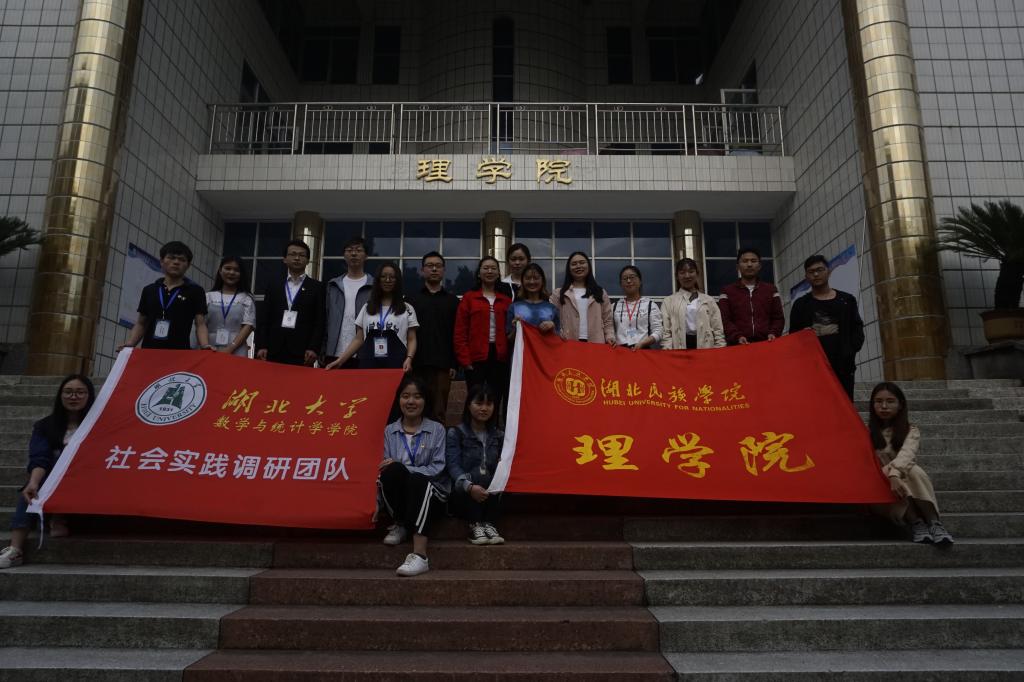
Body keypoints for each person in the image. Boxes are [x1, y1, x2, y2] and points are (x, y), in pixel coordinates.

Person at [0, 375, 96, 569]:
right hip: (54, 478)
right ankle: (15, 548)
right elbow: (40, 457)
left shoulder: (99, 423)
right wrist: (33, 482)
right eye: (68, 392)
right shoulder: (45, 426)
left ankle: (58, 516)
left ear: (89, 396)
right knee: (33, 486)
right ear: (60, 395)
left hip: (88, 480)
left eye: (80, 392)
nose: (74, 397)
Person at [378, 375, 450, 576]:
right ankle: (401, 523)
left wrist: (407, 470)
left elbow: (437, 468)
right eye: (405, 396)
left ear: (425, 401)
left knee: (417, 479)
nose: (411, 401)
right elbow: (385, 466)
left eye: (417, 396)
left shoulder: (436, 429)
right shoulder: (390, 431)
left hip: (432, 492)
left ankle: (420, 555)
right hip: (403, 496)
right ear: (399, 400)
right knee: (392, 471)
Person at [868, 382, 954, 544]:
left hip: (903, 477)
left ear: (900, 405)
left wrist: (894, 475)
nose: (884, 406)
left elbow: (907, 455)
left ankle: (934, 523)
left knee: (913, 470)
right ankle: (916, 522)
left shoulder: (910, 430)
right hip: (881, 488)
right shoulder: (867, 433)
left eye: (890, 401)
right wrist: (892, 475)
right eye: (878, 401)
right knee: (887, 473)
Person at [788, 255, 865, 399]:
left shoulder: (846, 300)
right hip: (813, 368)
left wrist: (849, 351)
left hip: (843, 365)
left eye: (820, 270)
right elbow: (793, 337)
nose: (816, 274)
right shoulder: (800, 305)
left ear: (828, 272)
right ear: (806, 276)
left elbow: (857, 328)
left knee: (844, 405)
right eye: (811, 271)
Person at [118, 241, 210, 351]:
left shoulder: (196, 291)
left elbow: (200, 324)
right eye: (171, 258)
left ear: (188, 265)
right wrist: (130, 344)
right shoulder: (149, 290)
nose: (176, 262)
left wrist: (205, 345)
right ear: (161, 261)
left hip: (179, 353)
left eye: (182, 259)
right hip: (149, 351)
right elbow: (141, 323)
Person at [326, 261, 417, 371]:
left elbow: (411, 339)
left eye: (392, 277)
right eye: (383, 276)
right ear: (378, 280)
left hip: (396, 363)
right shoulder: (367, 307)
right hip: (369, 363)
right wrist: (340, 361)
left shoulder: (407, 308)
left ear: (397, 280)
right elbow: (359, 339)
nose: (388, 280)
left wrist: (409, 358)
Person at [446, 383, 505, 545]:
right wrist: (470, 487)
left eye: (489, 404)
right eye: (479, 403)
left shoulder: (499, 436)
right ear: (468, 405)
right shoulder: (456, 433)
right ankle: (475, 525)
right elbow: (453, 466)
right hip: (463, 492)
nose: (484, 408)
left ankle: (489, 524)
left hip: (489, 492)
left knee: (496, 476)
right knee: (477, 474)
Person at [255, 240, 325, 366]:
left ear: (308, 260)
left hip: (303, 351)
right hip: (272, 348)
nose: (297, 258)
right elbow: (264, 317)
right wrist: (261, 345)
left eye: (302, 255)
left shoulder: (317, 287)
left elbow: (319, 321)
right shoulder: (274, 284)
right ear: (285, 259)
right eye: (293, 254)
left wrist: (314, 348)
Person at [408, 252, 459, 424]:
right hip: (417, 363)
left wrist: (454, 363)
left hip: (443, 364)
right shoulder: (411, 300)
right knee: (415, 408)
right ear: (422, 270)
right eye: (430, 266)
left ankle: (438, 442)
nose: (434, 269)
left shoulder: (452, 301)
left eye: (438, 266)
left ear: (444, 270)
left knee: (439, 411)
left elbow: (456, 333)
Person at [454, 257, 512, 402]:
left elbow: (510, 330)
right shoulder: (469, 298)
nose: (489, 271)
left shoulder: (506, 300)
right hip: (475, 356)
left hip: (499, 357)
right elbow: (460, 331)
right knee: (475, 398)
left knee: (495, 398)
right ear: (479, 273)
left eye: (493, 268)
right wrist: (464, 359)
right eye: (486, 268)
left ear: (498, 273)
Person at [717, 247, 784, 346]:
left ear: (759, 266)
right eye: (745, 261)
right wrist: (737, 337)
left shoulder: (771, 290)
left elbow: (778, 318)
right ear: (737, 266)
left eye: (753, 261)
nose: (749, 264)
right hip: (737, 346)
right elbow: (724, 320)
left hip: (767, 344)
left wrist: (773, 333)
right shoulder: (727, 291)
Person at [324, 237, 373, 368]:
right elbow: (325, 319)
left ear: (366, 256)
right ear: (344, 255)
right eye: (349, 250)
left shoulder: (374, 286)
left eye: (358, 250)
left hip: (364, 353)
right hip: (333, 351)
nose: (354, 253)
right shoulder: (333, 285)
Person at [550, 251, 614, 344]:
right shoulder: (559, 293)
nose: (578, 266)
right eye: (574, 264)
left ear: (588, 266)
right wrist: (559, 334)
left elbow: (607, 320)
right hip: (568, 343)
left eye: (582, 262)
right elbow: (552, 318)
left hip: (596, 343)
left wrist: (610, 336)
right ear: (569, 268)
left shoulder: (600, 292)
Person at [662, 258, 726, 350]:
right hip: (678, 349)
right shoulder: (669, 301)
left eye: (691, 271)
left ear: (697, 274)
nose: (687, 276)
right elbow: (666, 332)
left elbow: (718, 329)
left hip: (706, 349)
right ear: (676, 276)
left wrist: (719, 349)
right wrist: (668, 351)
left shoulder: (709, 300)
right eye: (682, 272)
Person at [204, 256, 256, 356]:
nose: (231, 272)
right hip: (209, 348)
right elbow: (200, 324)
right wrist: (205, 345)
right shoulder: (208, 296)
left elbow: (248, 326)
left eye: (236, 270)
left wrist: (230, 348)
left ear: (241, 274)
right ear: (220, 271)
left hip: (237, 349)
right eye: (228, 268)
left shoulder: (246, 298)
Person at [612, 265, 662, 350]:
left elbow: (659, 331)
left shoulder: (650, 305)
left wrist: (643, 343)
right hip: (620, 352)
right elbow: (609, 330)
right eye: (625, 278)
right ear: (621, 284)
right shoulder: (614, 307)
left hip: (642, 350)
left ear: (640, 281)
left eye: (632, 277)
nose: (628, 281)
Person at [507, 262, 560, 337]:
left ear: (542, 281)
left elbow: (558, 338)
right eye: (528, 278)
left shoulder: (552, 308)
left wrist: (552, 326)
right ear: (522, 281)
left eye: (536, 278)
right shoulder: (514, 307)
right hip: (522, 345)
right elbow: (509, 339)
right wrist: (516, 329)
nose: (532, 282)